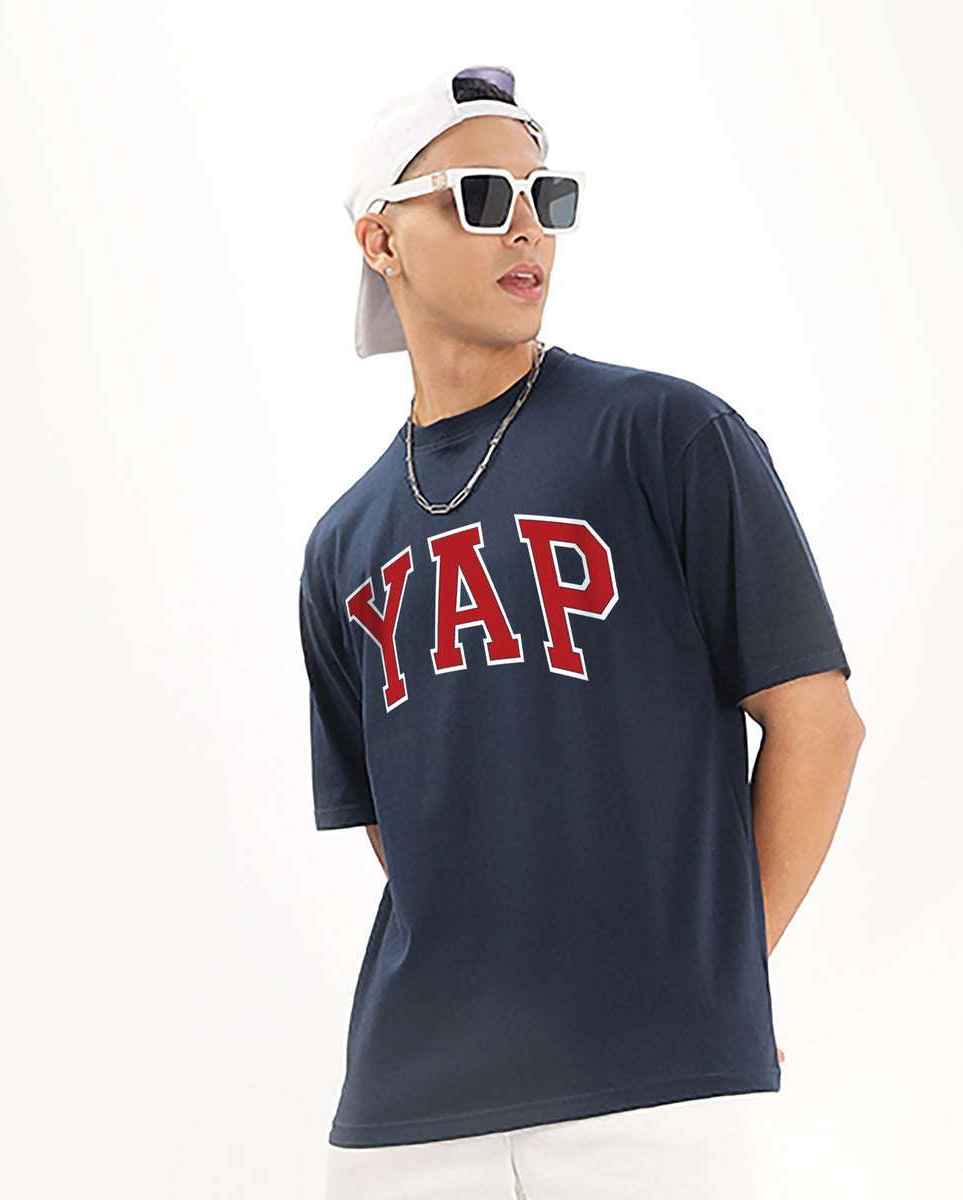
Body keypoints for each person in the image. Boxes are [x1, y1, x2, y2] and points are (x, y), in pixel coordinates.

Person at [298, 63, 866, 1200]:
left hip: (659, 1096)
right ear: (381, 240)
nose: (527, 227)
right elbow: (403, 829)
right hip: (409, 1111)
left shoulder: (670, 437)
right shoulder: (341, 544)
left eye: (545, 196)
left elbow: (820, 725)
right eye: (480, 197)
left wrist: (714, 980)